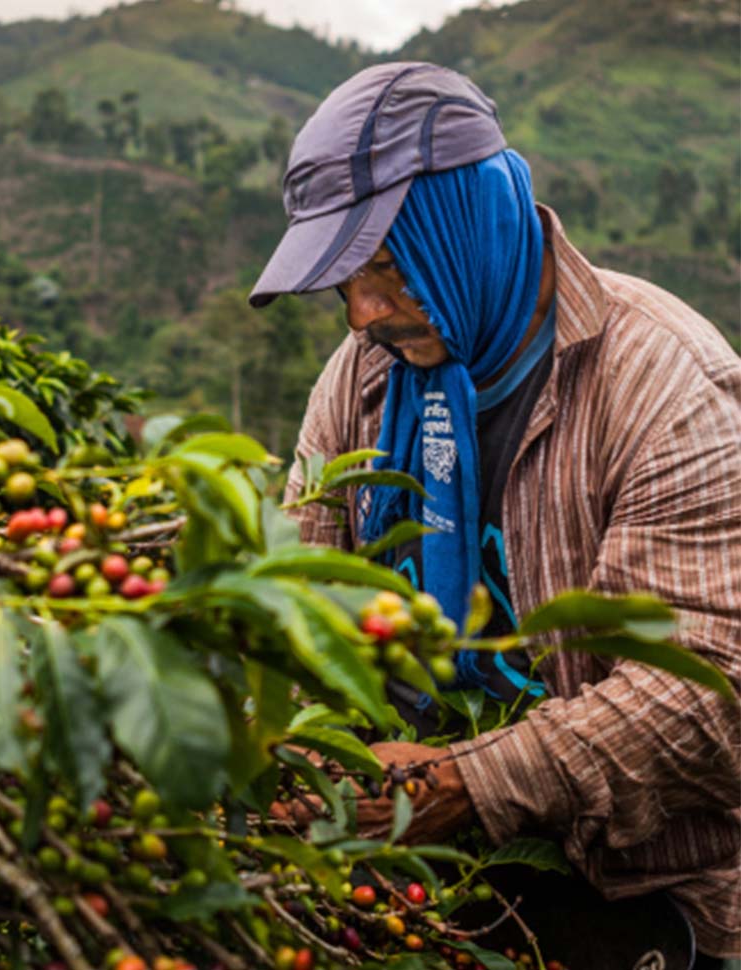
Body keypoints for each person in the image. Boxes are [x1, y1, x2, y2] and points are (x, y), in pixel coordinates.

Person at [249, 63, 740, 965]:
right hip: (428, 889)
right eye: (345, 282)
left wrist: (466, 782)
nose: (362, 314)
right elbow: (300, 598)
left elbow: (705, 690)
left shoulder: (664, 387)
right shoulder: (361, 383)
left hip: (642, 908)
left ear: (466, 228)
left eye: (390, 270)